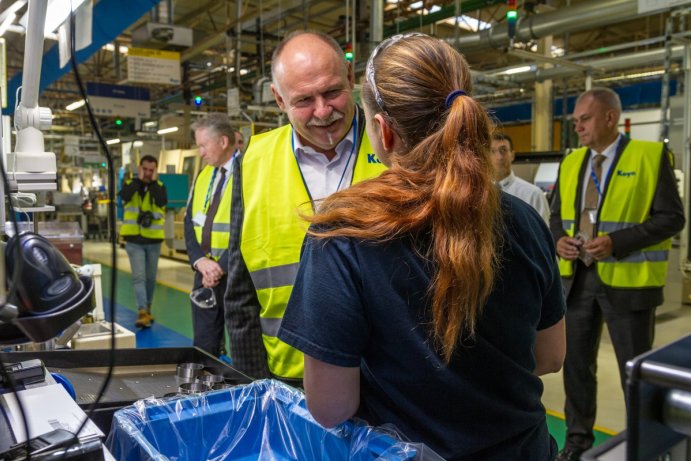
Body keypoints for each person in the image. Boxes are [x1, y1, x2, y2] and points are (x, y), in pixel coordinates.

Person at [277, 33, 566, 460]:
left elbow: (331, 407)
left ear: (383, 131)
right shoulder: (524, 220)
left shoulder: (342, 234)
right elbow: (550, 356)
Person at [224, 30, 387, 383]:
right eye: (303, 100)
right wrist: (255, 386)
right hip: (290, 376)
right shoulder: (252, 161)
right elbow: (240, 294)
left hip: (387, 376)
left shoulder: (395, 144)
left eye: (332, 92)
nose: (323, 111)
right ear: (278, 100)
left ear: (349, 75)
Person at [549, 87, 685, 461]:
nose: (577, 127)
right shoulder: (572, 162)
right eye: (575, 120)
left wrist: (617, 242)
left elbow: (672, 218)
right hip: (577, 281)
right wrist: (559, 240)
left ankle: (646, 446)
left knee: (635, 373)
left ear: (610, 118)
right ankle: (577, 443)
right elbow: (557, 217)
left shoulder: (649, 156)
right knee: (576, 367)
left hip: (628, 282)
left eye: (585, 119)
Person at [185, 113, 240, 356]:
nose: (201, 153)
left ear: (223, 142)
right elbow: (189, 221)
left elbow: (251, 226)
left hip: (237, 273)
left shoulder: (248, 173)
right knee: (204, 345)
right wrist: (200, 262)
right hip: (204, 272)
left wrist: (222, 266)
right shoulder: (203, 175)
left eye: (203, 146)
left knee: (242, 345)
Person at [118, 155, 167, 328]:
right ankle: (142, 311)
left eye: (151, 170)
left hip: (153, 240)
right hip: (134, 240)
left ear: (155, 171)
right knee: (139, 277)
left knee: (150, 278)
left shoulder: (160, 187)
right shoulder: (131, 184)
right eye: (144, 169)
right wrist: (139, 181)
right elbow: (124, 196)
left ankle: (148, 308)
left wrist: (152, 183)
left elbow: (161, 201)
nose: (147, 173)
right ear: (140, 168)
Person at [491, 132, 550, 222]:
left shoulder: (533, 195)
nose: (499, 157)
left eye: (503, 150)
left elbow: (543, 234)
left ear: (512, 155)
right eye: (492, 151)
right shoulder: (479, 194)